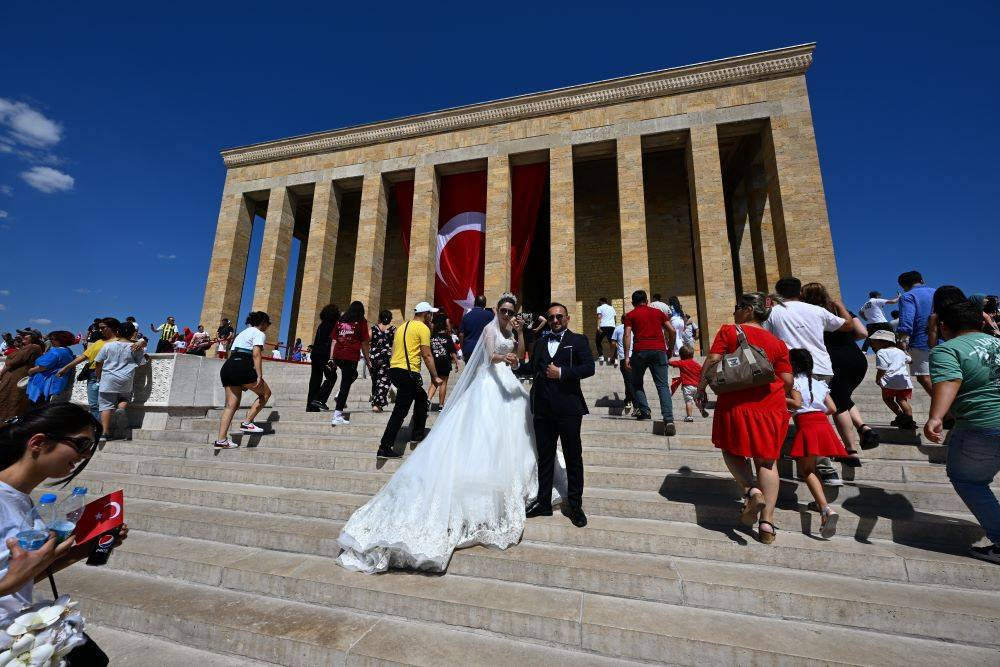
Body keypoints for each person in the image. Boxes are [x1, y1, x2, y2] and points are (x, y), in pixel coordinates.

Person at [339, 294, 555, 573]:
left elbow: (521, 353)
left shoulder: (511, 329)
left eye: (510, 311)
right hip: (490, 385)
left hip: (509, 384)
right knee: (485, 435)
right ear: (495, 310)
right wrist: (506, 356)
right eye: (502, 310)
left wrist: (521, 334)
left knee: (514, 434)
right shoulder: (490, 329)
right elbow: (490, 357)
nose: (505, 314)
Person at [0, 403, 129, 621]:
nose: (86, 455)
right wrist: (10, 583)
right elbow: (11, 582)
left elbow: (20, 578)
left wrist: (83, 550)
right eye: (81, 443)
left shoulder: (21, 498)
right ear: (38, 442)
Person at [695, 292, 793, 545]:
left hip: (736, 402)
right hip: (771, 406)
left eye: (738, 307)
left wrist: (700, 388)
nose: (734, 311)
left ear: (749, 310)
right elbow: (787, 381)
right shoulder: (778, 343)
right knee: (768, 462)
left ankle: (751, 490)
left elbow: (713, 360)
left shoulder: (730, 331)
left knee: (731, 449)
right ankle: (767, 524)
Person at [924, 301, 1000, 564]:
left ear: (943, 326)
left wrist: (935, 417)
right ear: (981, 323)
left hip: (983, 423)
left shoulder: (948, 349)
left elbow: (950, 380)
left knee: (969, 481)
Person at [763, 277, 851, 487]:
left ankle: (773, 453)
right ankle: (824, 465)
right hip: (819, 367)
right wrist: (839, 306)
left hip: (789, 369)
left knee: (785, 411)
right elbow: (847, 325)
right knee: (815, 413)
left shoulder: (774, 313)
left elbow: (765, 336)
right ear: (800, 292)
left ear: (778, 292)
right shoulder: (816, 310)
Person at [526, 301, 594, 528]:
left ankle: (575, 505)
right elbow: (532, 368)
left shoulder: (578, 340)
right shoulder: (540, 342)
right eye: (551, 317)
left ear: (567, 318)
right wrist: (514, 364)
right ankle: (543, 502)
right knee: (544, 457)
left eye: (559, 317)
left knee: (573, 457)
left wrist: (562, 372)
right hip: (543, 410)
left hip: (569, 409)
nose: (555, 320)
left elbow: (588, 367)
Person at [802, 282, 877, 462]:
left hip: (833, 360)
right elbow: (862, 333)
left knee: (839, 405)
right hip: (856, 358)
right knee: (842, 397)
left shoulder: (812, 314)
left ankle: (851, 451)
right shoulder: (839, 310)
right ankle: (863, 429)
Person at [787, 349, 845, 538]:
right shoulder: (820, 383)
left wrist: (777, 397)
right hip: (823, 423)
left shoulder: (795, 382)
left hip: (807, 425)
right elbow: (833, 408)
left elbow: (795, 403)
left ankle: (825, 509)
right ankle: (820, 504)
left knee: (808, 471)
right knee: (812, 468)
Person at [377, 302, 443, 458]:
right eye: (430, 314)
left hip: (395, 369)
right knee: (400, 411)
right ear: (426, 314)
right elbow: (427, 355)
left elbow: (394, 349)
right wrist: (435, 376)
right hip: (408, 372)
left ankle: (417, 434)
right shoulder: (423, 328)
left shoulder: (402, 327)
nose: (431, 317)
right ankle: (385, 446)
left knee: (420, 397)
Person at [215, 312, 272, 449]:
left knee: (230, 406)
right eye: (268, 323)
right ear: (263, 322)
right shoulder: (259, 333)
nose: (268, 327)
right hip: (243, 365)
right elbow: (256, 354)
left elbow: (233, 352)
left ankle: (221, 440)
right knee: (265, 393)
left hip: (228, 366)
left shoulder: (242, 333)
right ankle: (247, 422)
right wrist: (259, 375)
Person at [623, 290, 676, 433]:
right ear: (646, 301)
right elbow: (672, 330)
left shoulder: (630, 315)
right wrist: (670, 349)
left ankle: (645, 410)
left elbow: (627, 334)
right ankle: (669, 420)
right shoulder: (657, 313)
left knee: (636, 383)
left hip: (640, 352)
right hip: (659, 351)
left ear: (633, 303)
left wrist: (627, 356)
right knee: (663, 386)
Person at [93, 321, 148, 444]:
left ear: (117, 332)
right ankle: (121, 408)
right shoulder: (135, 347)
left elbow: (98, 362)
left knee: (105, 406)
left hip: (108, 378)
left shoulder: (108, 346)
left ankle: (104, 433)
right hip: (126, 378)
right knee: (125, 397)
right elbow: (142, 363)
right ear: (134, 333)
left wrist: (98, 377)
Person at [57, 318, 118, 421]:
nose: (100, 330)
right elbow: (83, 356)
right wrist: (66, 368)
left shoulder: (120, 342)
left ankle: (104, 429)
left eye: (102, 328)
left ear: (112, 328)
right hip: (93, 375)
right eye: (99, 328)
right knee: (93, 404)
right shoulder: (98, 342)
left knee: (106, 405)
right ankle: (97, 429)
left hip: (109, 375)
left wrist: (141, 343)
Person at [329, 301, 371, 426]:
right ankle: (337, 415)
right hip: (350, 356)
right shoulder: (361, 321)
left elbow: (334, 340)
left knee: (353, 375)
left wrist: (331, 358)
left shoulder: (341, 321)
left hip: (338, 355)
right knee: (345, 385)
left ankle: (339, 394)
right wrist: (368, 359)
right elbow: (364, 342)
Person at [896, 270, 937, 396]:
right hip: (944, 339)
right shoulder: (937, 292)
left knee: (924, 377)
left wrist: (902, 339)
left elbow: (907, 319)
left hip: (921, 341)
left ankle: (948, 412)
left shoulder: (907, 296)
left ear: (903, 286)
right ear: (922, 280)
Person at [868, 330, 915, 429]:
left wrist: (878, 379)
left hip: (890, 381)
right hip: (904, 381)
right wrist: (905, 350)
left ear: (884, 342)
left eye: (875, 342)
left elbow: (882, 368)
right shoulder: (900, 352)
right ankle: (909, 420)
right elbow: (911, 361)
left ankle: (900, 415)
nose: (873, 344)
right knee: (902, 400)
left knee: (888, 399)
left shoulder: (881, 352)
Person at [0, 330, 43, 420]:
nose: (23, 337)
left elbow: (14, 361)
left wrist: (8, 361)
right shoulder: (27, 347)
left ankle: (8, 420)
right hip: (13, 377)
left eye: (26, 336)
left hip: (17, 378)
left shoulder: (33, 347)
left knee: (12, 399)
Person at [25, 331, 76, 405]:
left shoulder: (55, 351)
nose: (51, 341)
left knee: (36, 406)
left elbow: (43, 366)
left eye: (52, 339)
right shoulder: (68, 351)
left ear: (59, 340)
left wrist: (31, 371)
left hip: (44, 383)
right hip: (58, 382)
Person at [307, 304, 339, 412]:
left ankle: (311, 406)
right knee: (332, 377)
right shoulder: (334, 325)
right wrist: (331, 358)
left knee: (315, 380)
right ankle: (319, 399)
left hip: (315, 355)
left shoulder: (321, 325)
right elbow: (332, 342)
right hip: (325, 356)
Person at [427, 313, 459, 411]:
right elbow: (452, 351)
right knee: (444, 382)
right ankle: (441, 405)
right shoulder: (447, 337)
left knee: (434, 382)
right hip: (445, 361)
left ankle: (428, 399)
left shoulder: (432, 337)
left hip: (434, 362)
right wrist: (457, 362)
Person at [669, 345, 707, 422]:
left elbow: (671, 363)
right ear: (692, 355)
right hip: (697, 386)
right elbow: (702, 373)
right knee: (697, 400)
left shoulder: (682, 362)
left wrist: (666, 359)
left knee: (689, 401)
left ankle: (689, 417)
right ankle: (701, 409)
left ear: (681, 355)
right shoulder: (697, 365)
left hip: (687, 386)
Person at [368, 310, 395, 413]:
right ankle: (377, 404)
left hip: (374, 358)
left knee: (375, 381)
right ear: (390, 318)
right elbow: (395, 344)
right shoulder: (393, 329)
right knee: (384, 381)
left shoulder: (374, 329)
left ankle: (375, 402)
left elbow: (366, 340)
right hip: (386, 358)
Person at [610, 321, 633, 415]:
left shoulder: (618, 328)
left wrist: (613, 356)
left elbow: (612, 343)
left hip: (624, 358)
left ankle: (629, 400)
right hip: (635, 357)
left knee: (628, 380)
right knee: (632, 380)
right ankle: (633, 401)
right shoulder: (634, 328)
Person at [595, 297, 617, 365]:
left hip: (603, 326)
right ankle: (615, 358)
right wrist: (614, 326)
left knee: (598, 341)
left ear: (601, 301)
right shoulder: (612, 308)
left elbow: (599, 317)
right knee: (612, 343)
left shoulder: (599, 307)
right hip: (611, 327)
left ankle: (601, 356)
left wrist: (598, 326)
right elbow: (614, 318)